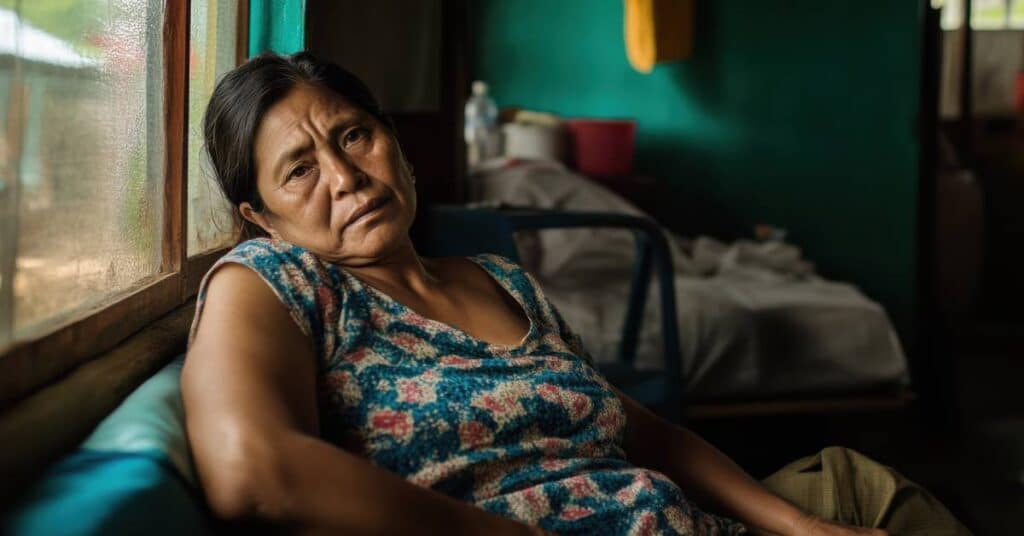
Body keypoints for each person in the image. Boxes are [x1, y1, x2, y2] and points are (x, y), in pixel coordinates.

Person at [183, 51, 969, 535]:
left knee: (856, 487)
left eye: (354, 135)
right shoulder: (277, 283)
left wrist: (799, 527)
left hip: (673, 519)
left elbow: (636, 430)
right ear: (261, 216)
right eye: (300, 169)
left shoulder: (501, 279)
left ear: (393, 140)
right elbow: (252, 471)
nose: (347, 176)